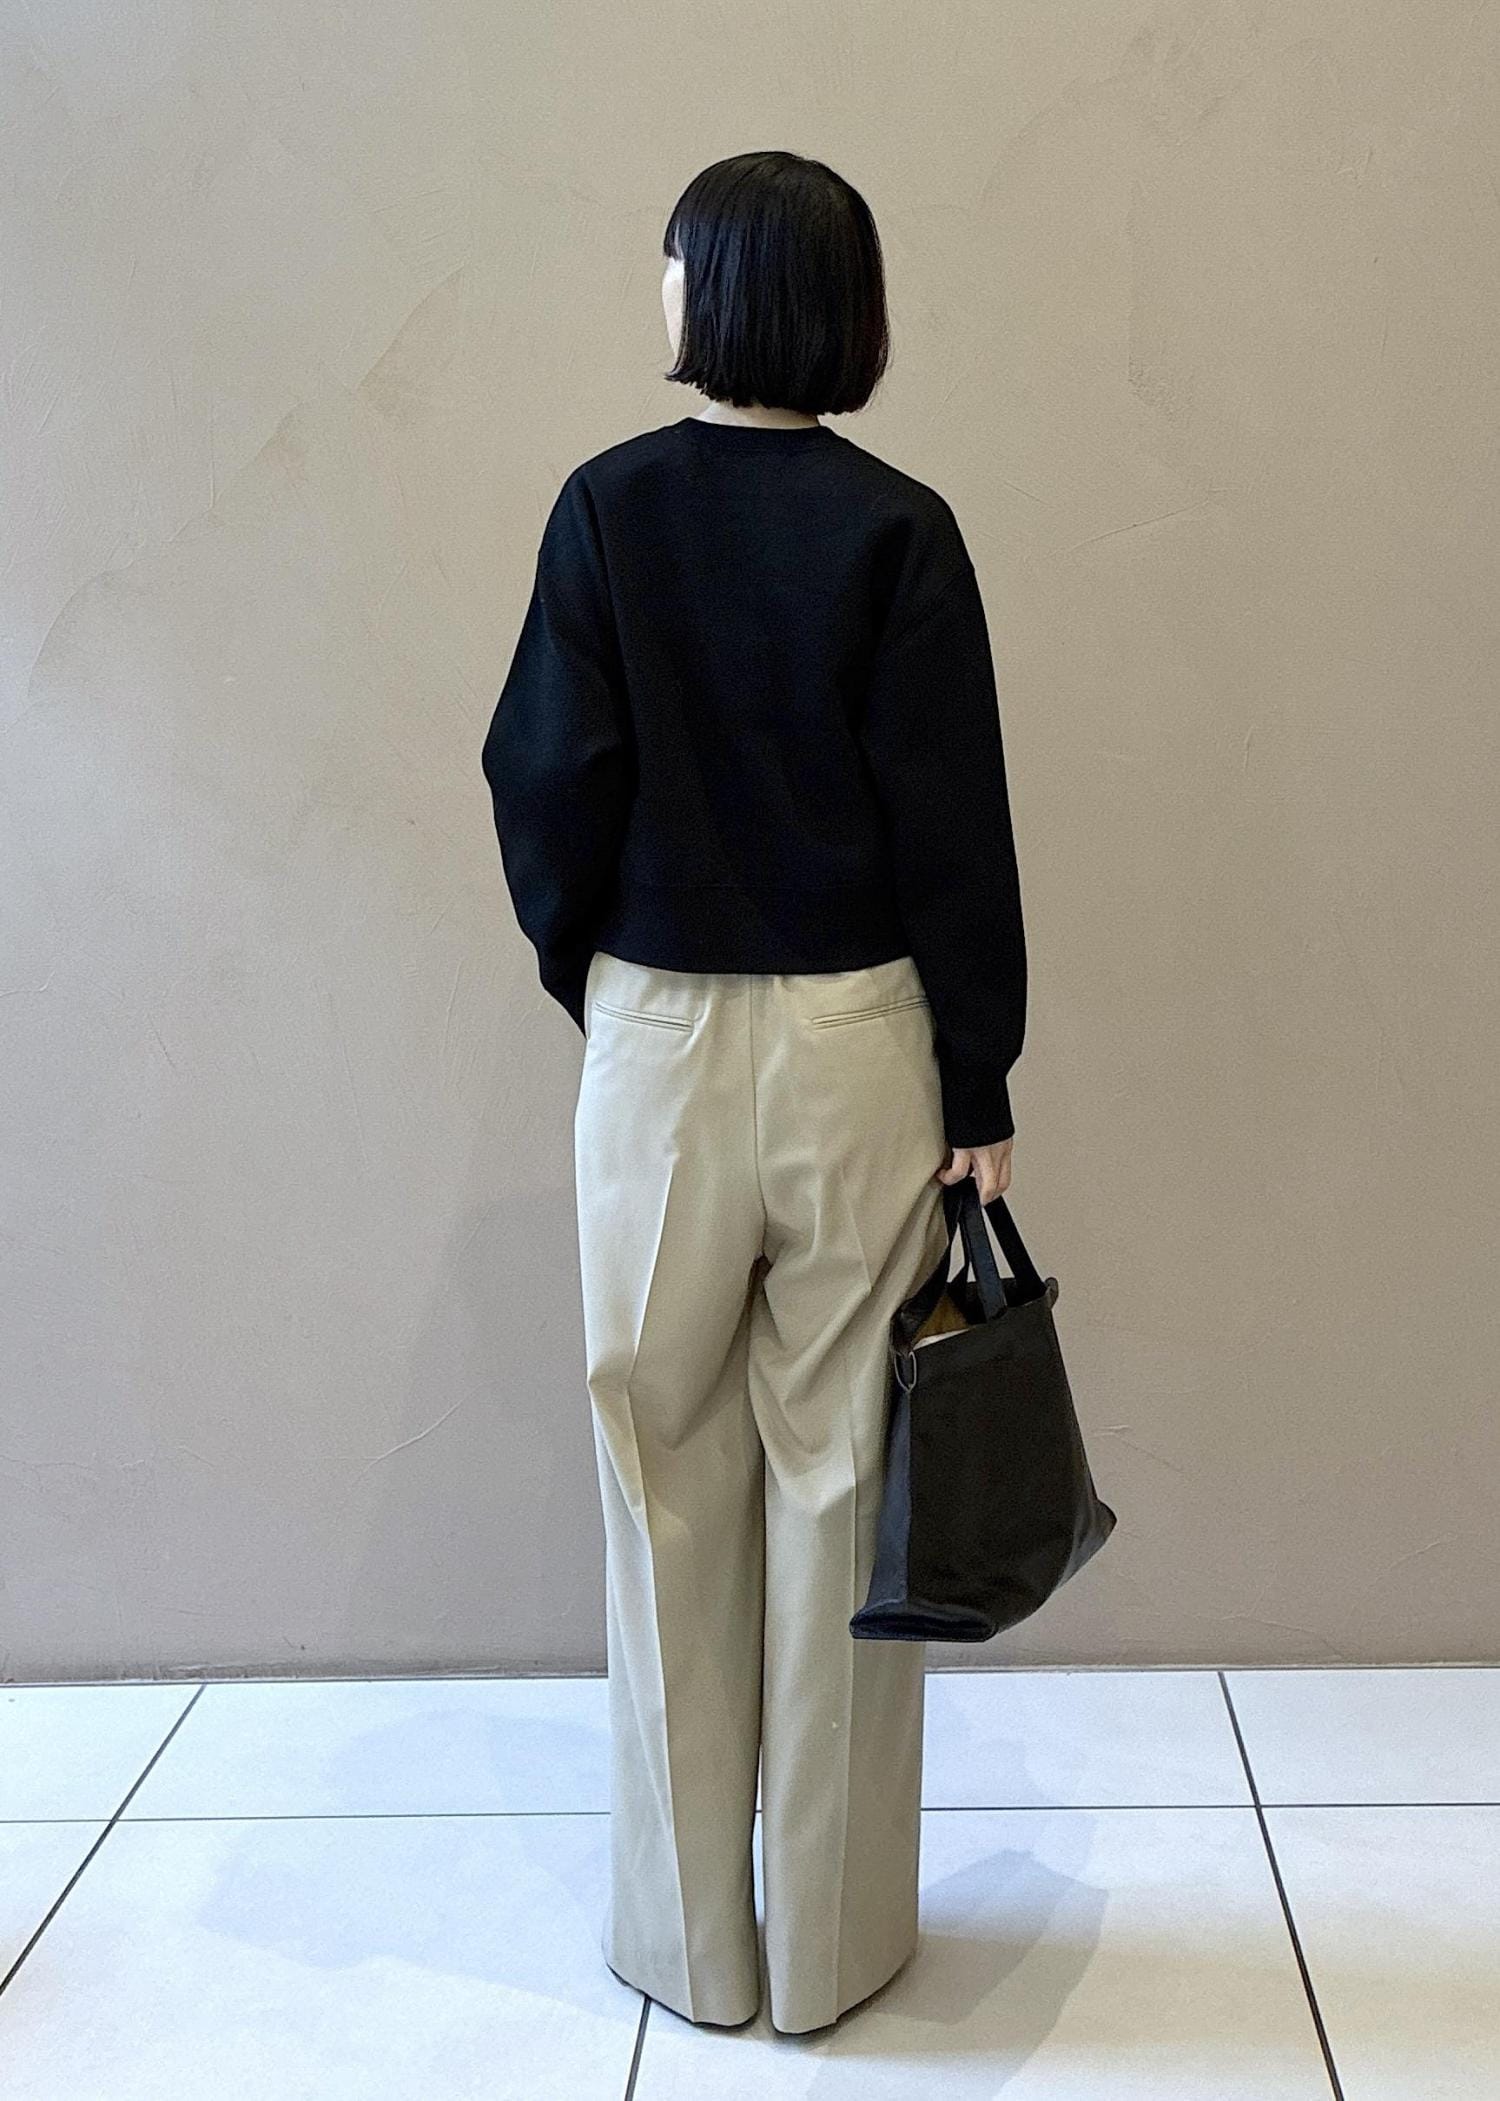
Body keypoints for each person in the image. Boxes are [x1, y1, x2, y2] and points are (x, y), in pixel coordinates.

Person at [480, 149, 1027, 2038]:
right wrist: (978, 1073)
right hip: (862, 1043)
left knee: (661, 1474)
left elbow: (544, 779)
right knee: (840, 1472)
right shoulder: (902, 529)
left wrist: (603, 975)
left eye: (669, 260)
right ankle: (830, 1951)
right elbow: (955, 824)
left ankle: (686, 1943)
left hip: (660, 1038)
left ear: (706, 289)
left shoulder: (608, 509)